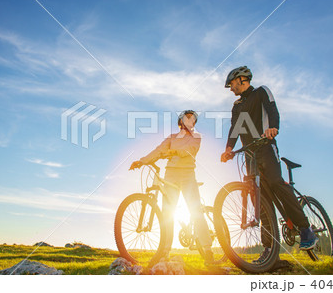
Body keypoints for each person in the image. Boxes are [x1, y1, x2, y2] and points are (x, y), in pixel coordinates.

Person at [220, 66, 318, 263]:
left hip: (266, 146)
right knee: (261, 200)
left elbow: (272, 109)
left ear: (241, 79)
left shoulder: (261, 92)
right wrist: (229, 148)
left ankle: (306, 229)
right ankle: (269, 249)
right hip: (250, 154)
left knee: (276, 183)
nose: (231, 89)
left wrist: (273, 127)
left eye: (231, 84)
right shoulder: (237, 105)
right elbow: (235, 128)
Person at [130, 110, 216, 264]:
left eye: (193, 119)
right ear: (181, 121)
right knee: (167, 214)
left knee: (196, 212)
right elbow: (158, 150)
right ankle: (164, 251)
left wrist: (174, 151)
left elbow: (190, 151)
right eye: (187, 118)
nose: (190, 121)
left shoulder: (196, 137)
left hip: (188, 175)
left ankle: (208, 251)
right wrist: (142, 161)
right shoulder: (171, 137)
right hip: (171, 175)